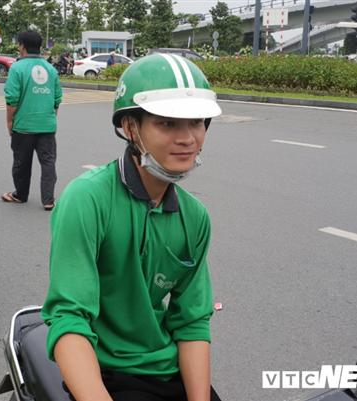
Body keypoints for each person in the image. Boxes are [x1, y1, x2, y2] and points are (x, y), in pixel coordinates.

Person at [42, 53, 223, 401]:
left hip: (166, 368)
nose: (187, 138)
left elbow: (191, 322)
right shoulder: (88, 199)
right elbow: (70, 317)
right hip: (106, 371)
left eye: (197, 122)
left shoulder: (194, 217)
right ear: (130, 128)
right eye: (167, 123)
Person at [1, 31, 62, 211]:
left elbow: (12, 99)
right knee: (48, 163)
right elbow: (57, 99)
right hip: (47, 126)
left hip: (24, 126)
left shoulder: (17, 68)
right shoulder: (51, 69)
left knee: (22, 163)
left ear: (22, 45)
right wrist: (49, 119)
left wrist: (9, 122)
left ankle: (20, 195)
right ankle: (48, 200)